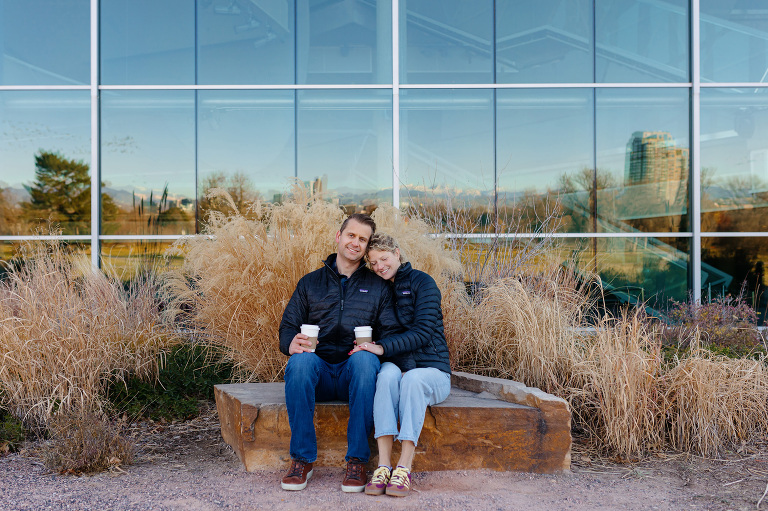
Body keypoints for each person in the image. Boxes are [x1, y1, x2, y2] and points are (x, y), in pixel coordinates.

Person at [278, 213, 399, 493]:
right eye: (351, 235)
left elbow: (391, 332)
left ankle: (357, 461)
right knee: (300, 363)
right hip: (317, 373)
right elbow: (287, 325)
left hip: (354, 376)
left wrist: (372, 346)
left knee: (366, 360)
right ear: (338, 236)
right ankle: (302, 460)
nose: (355, 243)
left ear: (367, 247)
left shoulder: (379, 287)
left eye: (363, 239)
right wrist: (290, 344)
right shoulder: (310, 283)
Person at [351, 233, 451, 498]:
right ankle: (383, 465)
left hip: (432, 371)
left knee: (412, 379)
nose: (379, 266)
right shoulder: (378, 288)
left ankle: (404, 466)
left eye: (383, 258)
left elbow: (423, 332)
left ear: (397, 253)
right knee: (384, 377)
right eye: (373, 262)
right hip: (396, 366)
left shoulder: (423, 283)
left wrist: (381, 347)